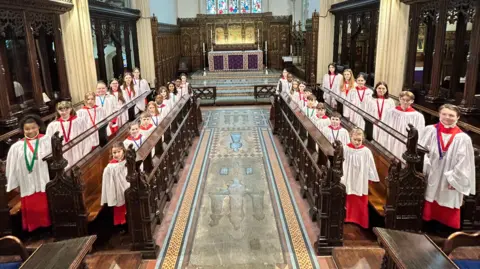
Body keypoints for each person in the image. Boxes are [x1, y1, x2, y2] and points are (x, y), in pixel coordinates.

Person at [419, 104, 475, 230]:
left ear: (458, 117)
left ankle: (445, 228)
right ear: (439, 114)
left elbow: (464, 162)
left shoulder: (463, 138)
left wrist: (455, 179)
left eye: (451, 115)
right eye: (444, 114)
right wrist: (426, 165)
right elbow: (420, 149)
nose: (447, 117)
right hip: (432, 170)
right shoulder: (430, 130)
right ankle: (427, 223)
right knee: (430, 193)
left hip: (450, 174)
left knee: (447, 196)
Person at [6, 115, 52, 232]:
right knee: (32, 204)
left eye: (33, 128)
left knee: (44, 204)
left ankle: (47, 227)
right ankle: (34, 229)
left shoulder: (46, 140)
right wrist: (14, 183)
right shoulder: (16, 147)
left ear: (38, 127)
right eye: (27, 129)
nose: (30, 131)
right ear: (23, 130)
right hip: (27, 180)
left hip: (43, 177)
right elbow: (12, 167)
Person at [341, 128, 379, 229]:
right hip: (348, 177)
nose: (357, 142)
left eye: (359, 140)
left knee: (360, 200)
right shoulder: (345, 149)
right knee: (347, 197)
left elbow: (371, 166)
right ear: (350, 138)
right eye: (355, 139)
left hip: (361, 180)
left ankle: (360, 221)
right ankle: (346, 218)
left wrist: (370, 179)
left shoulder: (366, 151)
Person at [379, 91, 425, 160]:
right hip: (391, 138)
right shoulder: (390, 112)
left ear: (412, 101)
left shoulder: (418, 116)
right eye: (403, 99)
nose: (405, 102)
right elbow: (384, 126)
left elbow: (420, 132)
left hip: (406, 142)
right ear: (399, 99)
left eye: (408, 100)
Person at [46, 101, 90, 168]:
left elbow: (86, 136)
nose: (64, 112)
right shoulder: (52, 125)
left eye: (66, 109)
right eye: (61, 110)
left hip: (78, 148)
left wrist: (86, 152)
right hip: (63, 152)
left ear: (71, 109)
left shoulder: (79, 121)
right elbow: (49, 141)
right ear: (57, 110)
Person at [101, 142, 130, 226]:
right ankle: (122, 225)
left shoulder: (127, 161)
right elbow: (108, 183)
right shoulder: (110, 167)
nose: (116, 154)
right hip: (117, 190)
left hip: (127, 187)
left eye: (118, 152)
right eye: (114, 152)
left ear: (123, 151)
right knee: (119, 208)